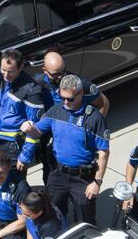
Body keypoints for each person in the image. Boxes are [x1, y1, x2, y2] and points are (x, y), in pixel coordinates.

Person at [23, 74, 109, 225]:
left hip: (83, 177)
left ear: (81, 94)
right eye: (62, 97)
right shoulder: (55, 111)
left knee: (85, 221)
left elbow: (103, 152)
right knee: (52, 213)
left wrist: (97, 182)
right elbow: (37, 131)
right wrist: (27, 128)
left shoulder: (94, 117)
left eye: (70, 99)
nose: (65, 102)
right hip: (58, 173)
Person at [36, 51, 109, 185]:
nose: (61, 77)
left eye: (63, 72)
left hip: (76, 134)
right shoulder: (38, 83)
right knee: (49, 171)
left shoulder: (81, 85)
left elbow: (103, 103)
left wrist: (94, 129)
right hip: (51, 132)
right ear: (44, 70)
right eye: (55, 75)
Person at [0, 49, 45, 173]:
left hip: (13, 146)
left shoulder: (31, 90)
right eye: (3, 69)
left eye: (11, 71)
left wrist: (24, 157)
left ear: (21, 67)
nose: (6, 75)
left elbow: (35, 130)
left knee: (15, 184)